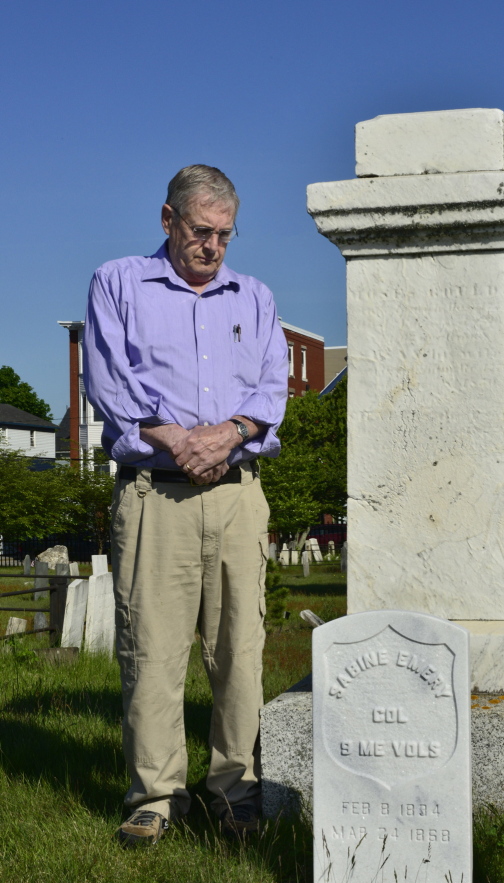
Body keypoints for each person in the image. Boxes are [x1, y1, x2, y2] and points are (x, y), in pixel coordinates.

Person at [83, 165, 288, 845]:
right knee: (153, 650)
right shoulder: (118, 283)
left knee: (239, 649)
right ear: (167, 220)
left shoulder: (252, 296)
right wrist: (176, 439)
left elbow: (270, 389)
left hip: (235, 497)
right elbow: (110, 380)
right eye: (200, 231)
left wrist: (228, 435)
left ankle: (235, 790)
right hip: (155, 499)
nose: (212, 246)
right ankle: (155, 794)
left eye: (224, 235)